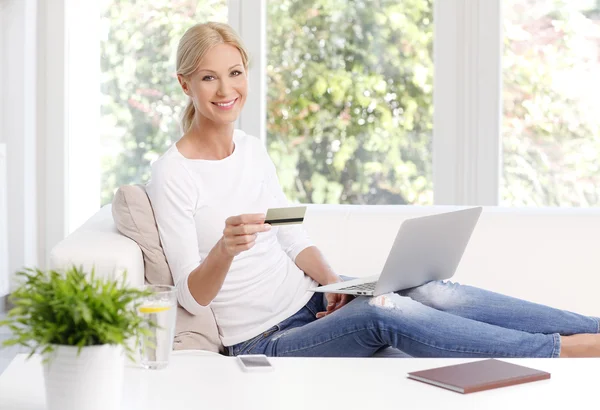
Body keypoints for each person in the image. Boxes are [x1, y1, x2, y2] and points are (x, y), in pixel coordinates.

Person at [146, 22, 600, 359]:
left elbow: (291, 235)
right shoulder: (173, 175)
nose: (226, 89)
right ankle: (561, 351)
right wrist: (224, 251)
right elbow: (188, 295)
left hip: (312, 299)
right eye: (209, 78)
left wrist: (333, 283)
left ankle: (594, 329)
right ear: (185, 83)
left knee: (430, 290)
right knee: (384, 313)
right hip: (264, 339)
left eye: (235, 72)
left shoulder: (252, 150)